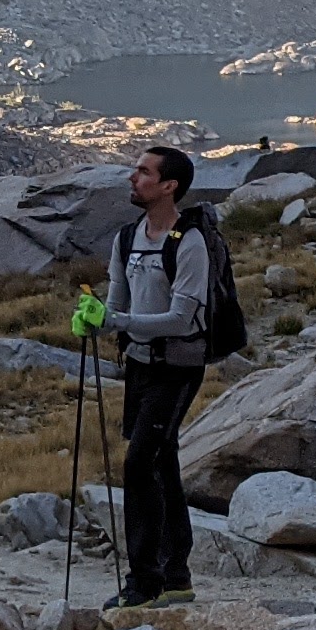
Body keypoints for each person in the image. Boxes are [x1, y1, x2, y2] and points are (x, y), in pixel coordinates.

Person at [104, 144, 213, 606]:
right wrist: (97, 318)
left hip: (177, 367)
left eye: (144, 172)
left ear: (169, 186)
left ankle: (144, 582)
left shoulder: (190, 242)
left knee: (139, 463)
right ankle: (176, 576)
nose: (133, 178)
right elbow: (116, 300)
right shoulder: (127, 237)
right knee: (161, 463)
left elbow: (182, 319)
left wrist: (119, 322)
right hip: (140, 365)